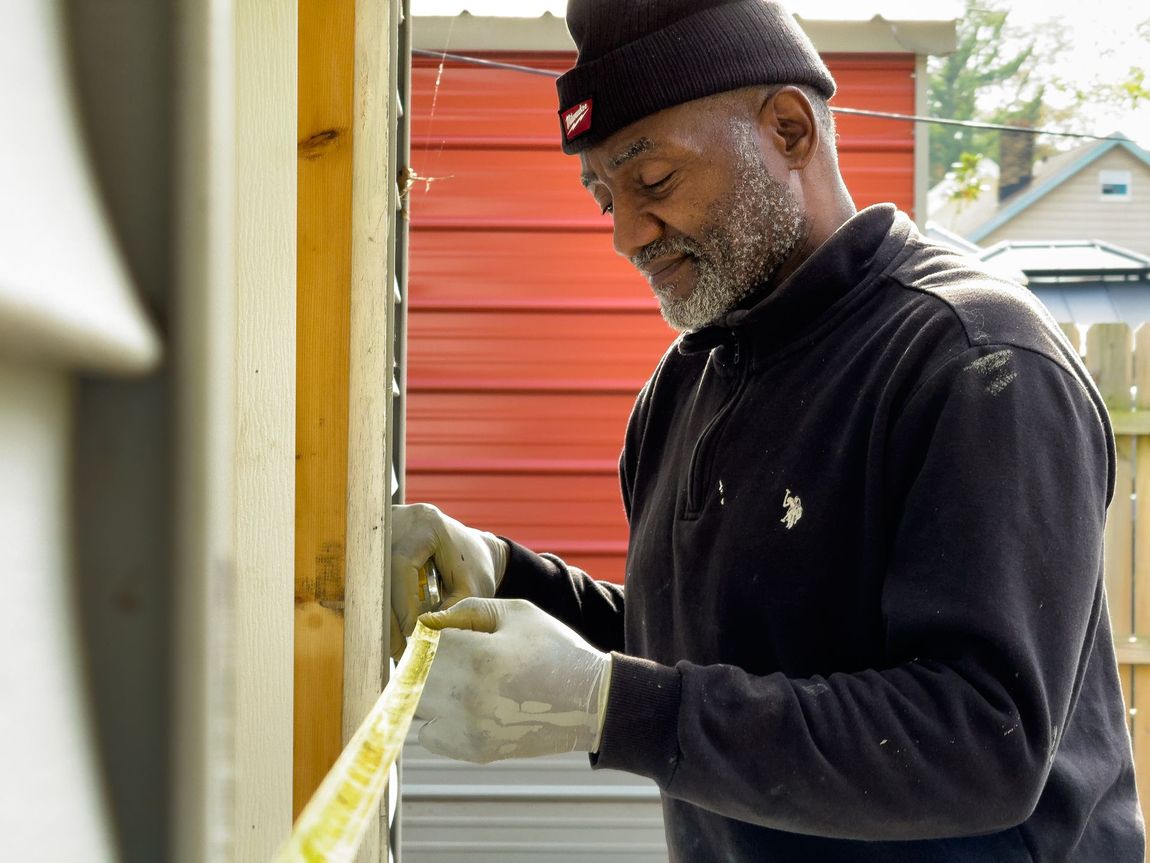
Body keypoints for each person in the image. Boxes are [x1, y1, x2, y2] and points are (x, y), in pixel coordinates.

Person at [390, 0, 1145, 859]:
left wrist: (611, 705)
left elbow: (981, 740)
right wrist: (508, 575)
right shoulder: (685, 387)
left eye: (654, 181)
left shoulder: (975, 361)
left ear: (788, 129)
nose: (628, 235)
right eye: (605, 198)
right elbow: (712, 661)